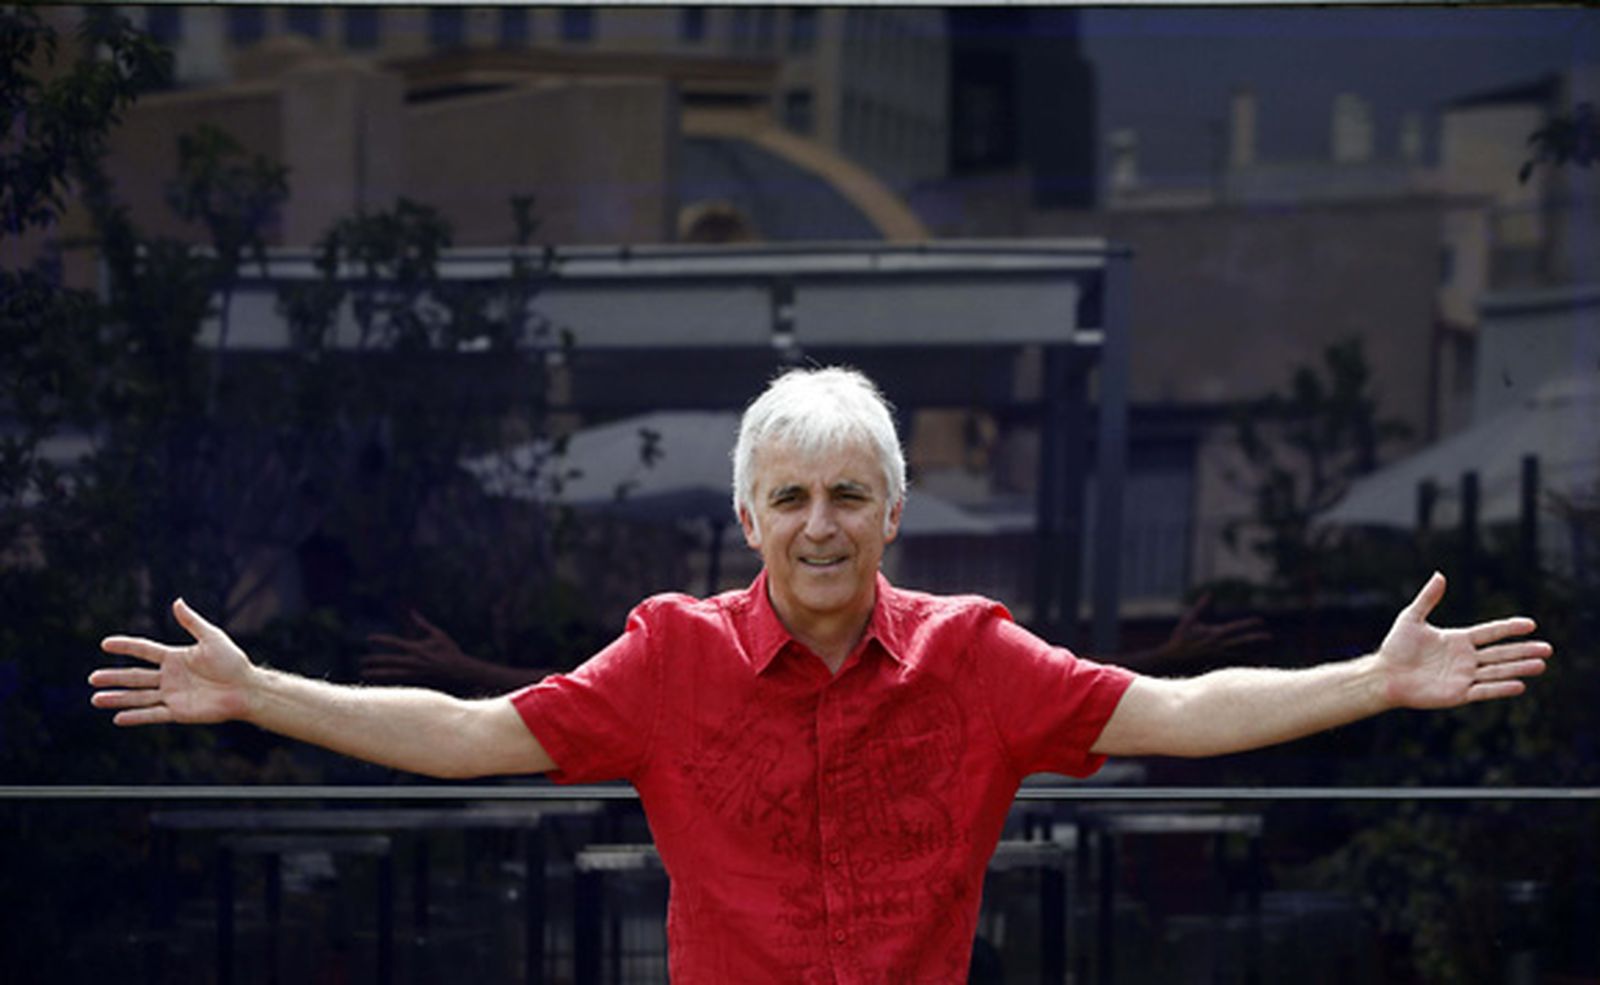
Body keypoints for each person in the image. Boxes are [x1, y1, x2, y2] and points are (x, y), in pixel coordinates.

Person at [89, 366, 1551, 984]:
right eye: (790, 498)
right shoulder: (670, 656)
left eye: (849, 494)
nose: (820, 524)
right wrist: (261, 693)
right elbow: (472, 734)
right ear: (748, 519)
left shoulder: (974, 655)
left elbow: (1170, 712)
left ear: (894, 513)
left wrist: (1372, 680)